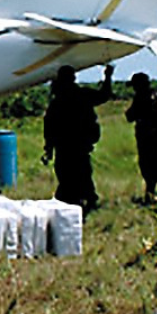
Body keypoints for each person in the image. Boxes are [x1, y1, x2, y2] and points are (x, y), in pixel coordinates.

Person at [42, 63, 114, 212]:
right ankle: (83, 200)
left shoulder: (57, 102)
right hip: (79, 145)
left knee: (69, 175)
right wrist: (107, 77)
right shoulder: (82, 95)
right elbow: (104, 95)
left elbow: (49, 128)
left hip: (67, 146)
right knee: (81, 173)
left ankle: (79, 200)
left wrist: (48, 148)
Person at [125, 72, 157, 201]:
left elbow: (130, 116)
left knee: (151, 167)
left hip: (149, 140)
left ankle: (154, 193)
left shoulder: (142, 99)